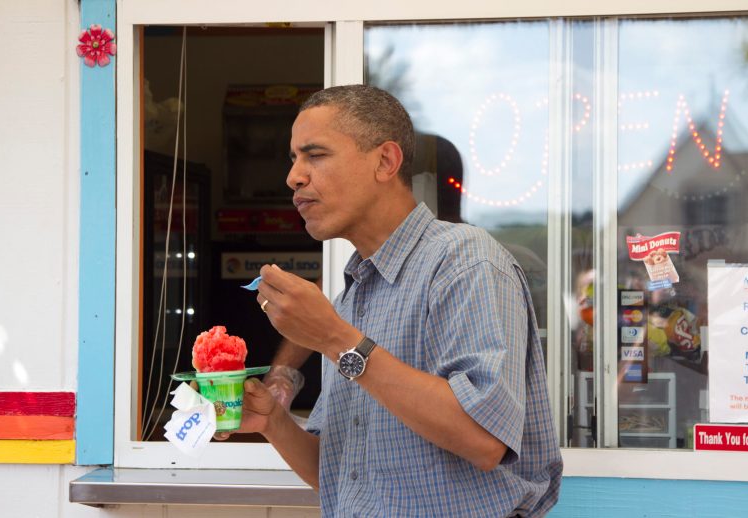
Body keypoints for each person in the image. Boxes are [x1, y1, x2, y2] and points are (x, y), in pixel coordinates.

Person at [221, 84, 562, 517]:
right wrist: (273, 421)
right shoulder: (353, 295)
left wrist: (336, 340)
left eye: (316, 155)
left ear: (386, 161)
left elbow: (485, 440)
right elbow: (341, 473)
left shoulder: (465, 262)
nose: (294, 177)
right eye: (293, 159)